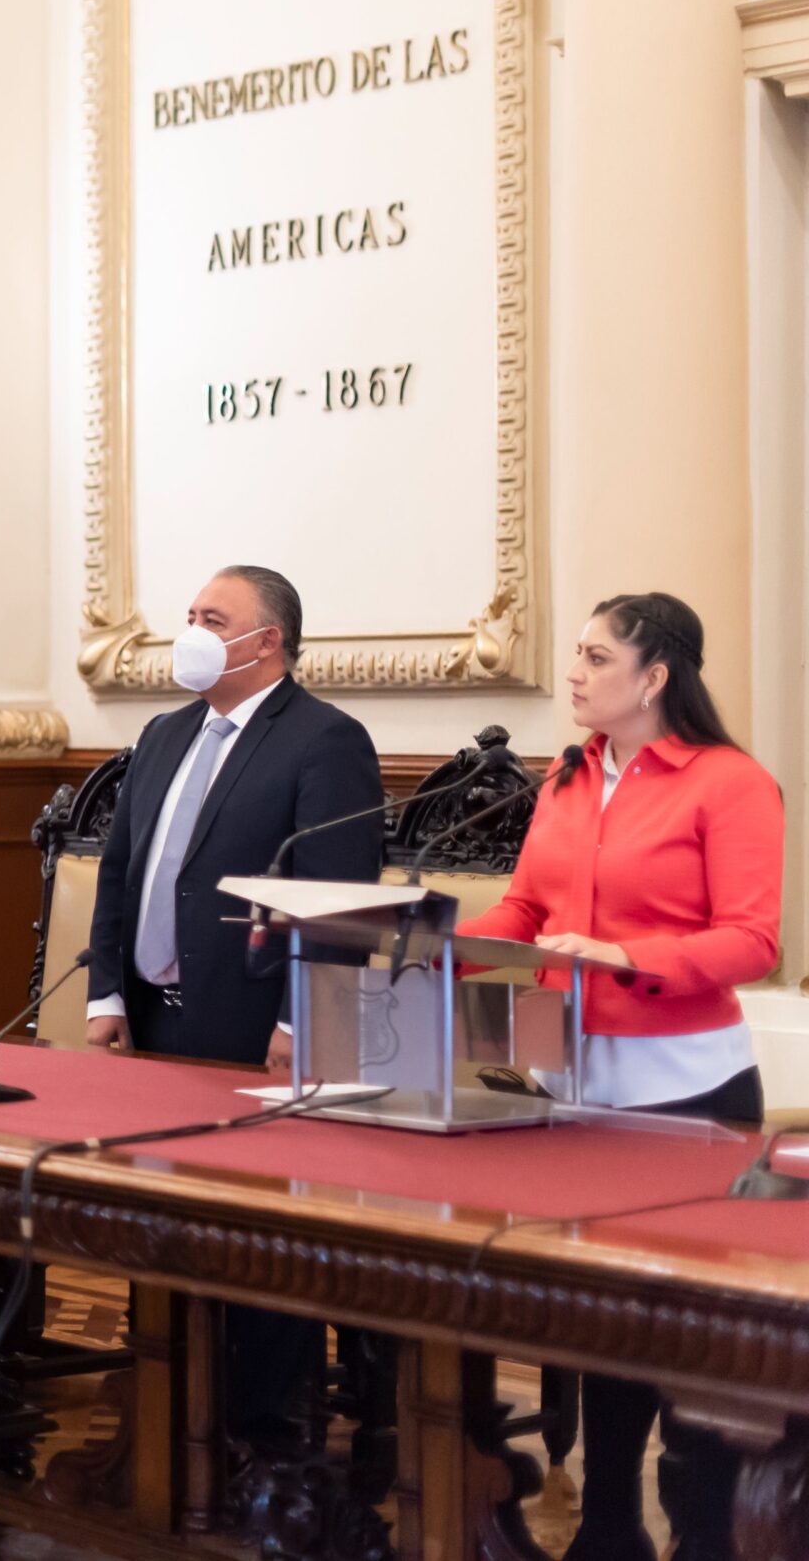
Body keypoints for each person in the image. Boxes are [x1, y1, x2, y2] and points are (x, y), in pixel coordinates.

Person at [460, 592, 778, 1561]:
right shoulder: (567, 775)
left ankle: (703, 1529)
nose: (575, 671)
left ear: (654, 677)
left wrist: (620, 953)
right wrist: (413, 941)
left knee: (680, 1327)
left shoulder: (729, 782)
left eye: (597, 656)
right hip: (571, 1082)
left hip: (687, 1088)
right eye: (576, 653)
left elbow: (751, 938)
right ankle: (604, 1525)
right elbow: (521, 908)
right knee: (603, 1315)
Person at [81, 564, 386, 1448]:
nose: (192, 629)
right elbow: (122, 870)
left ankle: (266, 1427)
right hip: (154, 1018)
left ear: (267, 641)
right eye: (189, 615)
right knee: (168, 1217)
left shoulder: (326, 740)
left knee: (256, 1231)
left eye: (212, 617)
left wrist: (302, 1016)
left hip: (256, 1028)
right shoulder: (164, 732)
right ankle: (174, 1400)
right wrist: (108, 993)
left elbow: (340, 894)